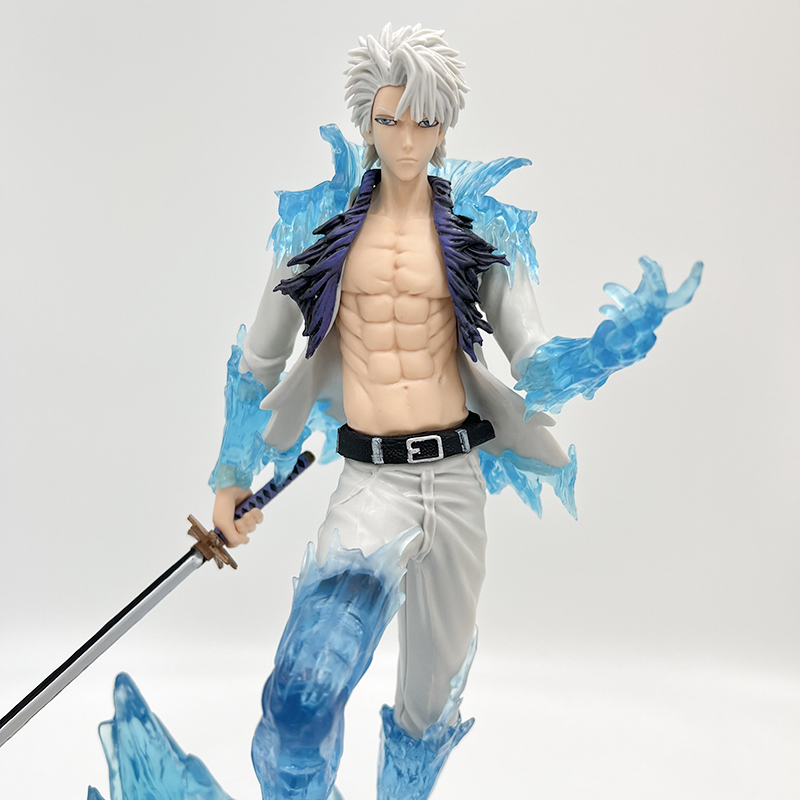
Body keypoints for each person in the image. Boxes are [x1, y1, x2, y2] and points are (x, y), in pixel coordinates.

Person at [208, 24, 702, 800]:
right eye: (390, 120)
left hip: (458, 483)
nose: (406, 140)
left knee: (426, 713)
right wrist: (232, 472)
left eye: (424, 122)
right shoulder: (318, 224)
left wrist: (606, 349)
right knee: (300, 703)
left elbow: (533, 358)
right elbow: (258, 360)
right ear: (366, 123)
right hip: (371, 485)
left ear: (446, 127)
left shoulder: (479, 228)